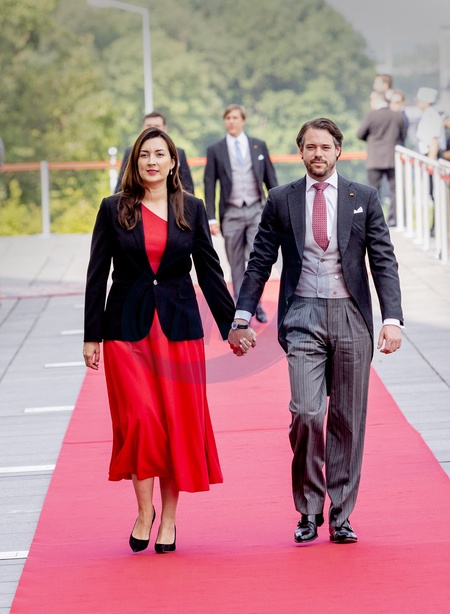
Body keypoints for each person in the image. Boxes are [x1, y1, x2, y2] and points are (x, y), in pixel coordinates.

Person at [228, 117, 403, 545]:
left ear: (338, 150)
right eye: (310, 147)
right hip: (302, 313)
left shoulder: (364, 197)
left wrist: (392, 319)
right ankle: (308, 509)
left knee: (347, 419)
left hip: (351, 315)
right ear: (301, 152)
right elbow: (260, 260)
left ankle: (341, 515)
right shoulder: (281, 199)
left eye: (325, 147)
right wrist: (242, 315)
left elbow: (383, 260)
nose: (318, 154)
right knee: (307, 413)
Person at [83, 127, 235, 554]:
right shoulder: (114, 208)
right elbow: (97, 274)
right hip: (124, 332)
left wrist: (233, 326)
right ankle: (144, 511)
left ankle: (168, 520)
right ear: (135, 162)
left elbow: (209, 271)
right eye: (144, 154)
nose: (152, 161)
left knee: (176, 425)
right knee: (141, 420)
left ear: (173, 163)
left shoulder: (192, 208)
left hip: (177, 331)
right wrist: (91, 336)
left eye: (159, 154)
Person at [204, 103, 278, 323]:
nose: (231, 122)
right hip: (231, 213)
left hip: (256, 210)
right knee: (235, 263)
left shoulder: (258, 145)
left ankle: (257, 304)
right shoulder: (215, 150)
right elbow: (209, 185)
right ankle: (240, 307)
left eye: (235, 117)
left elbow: (271, 179)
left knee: (256, 259)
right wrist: (211, 217)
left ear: (243, 120)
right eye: (228, 118)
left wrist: (278, 210)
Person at [357, 90, 407, 226]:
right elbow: (403, 135)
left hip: (374, 159)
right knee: (395, 190)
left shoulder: (371, 115)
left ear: (375, 100)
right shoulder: (397, 115)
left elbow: (360, 134)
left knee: (372, 191)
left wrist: (372, 139)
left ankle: (374, 221)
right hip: (392, 159)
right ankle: (395, 220)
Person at [115, 111, 195, 194]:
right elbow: (121, 185)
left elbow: (187, 186)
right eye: (144, 155)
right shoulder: (130, 152)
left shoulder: (179, 153)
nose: (152, 129)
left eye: (160, 154)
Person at [415, 87, 446, 234]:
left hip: (431, 157)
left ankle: (438, 227)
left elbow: (434, 140)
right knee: (433, 194)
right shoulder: (429, 114)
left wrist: (430, 162)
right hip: (429, 156)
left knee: (436, 194)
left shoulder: (431, 116)